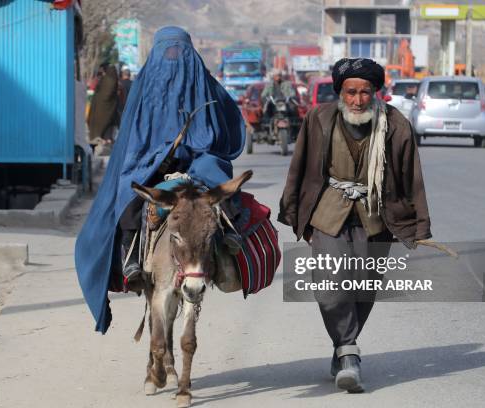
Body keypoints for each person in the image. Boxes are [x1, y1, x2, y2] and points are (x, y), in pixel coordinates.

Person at [75, 26, 245, 334]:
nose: (173, 57)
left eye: (179, 51)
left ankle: (232, 233)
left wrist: (195, 146)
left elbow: (220, 129)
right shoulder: (145, 88)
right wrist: (159, 156)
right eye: (167, 51)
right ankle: (129, 256)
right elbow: (133, 139)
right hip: (150, 162)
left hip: (197, 160)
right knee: (130, 197)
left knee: (218, 186)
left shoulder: (203, 84)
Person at [278, 58, 432, 393]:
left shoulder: (395, 124)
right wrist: (294, 213)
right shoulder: (319, 119)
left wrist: (418, 224)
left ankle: (342, 348)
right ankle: (350, 354)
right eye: (351, 92)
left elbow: (411, 177)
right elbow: (299, 167)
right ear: (340, 92)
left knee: (363, 288)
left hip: (377, 215)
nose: (358, 100)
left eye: (365, 92)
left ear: (376, 92)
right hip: (327, 214)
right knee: (332, 290)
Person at [87, 63, 119, 148]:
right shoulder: (113, 80)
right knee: (107, 126)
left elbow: (104, 93)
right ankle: (105, 142)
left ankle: (99, 142)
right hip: (108, 109)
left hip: (99, 108)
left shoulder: (106, 80)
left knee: (100, 127)